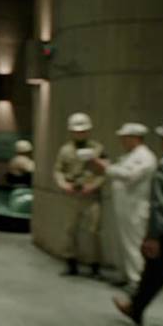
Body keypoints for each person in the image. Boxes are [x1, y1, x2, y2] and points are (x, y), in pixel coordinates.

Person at [113, 116, 163, 326]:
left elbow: (162, 205)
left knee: (153, 273)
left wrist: (153, 235)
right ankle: (135, 308)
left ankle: (135, 308)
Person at [91, 123, 156, 292]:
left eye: (124, 138)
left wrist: (106, 167)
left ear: (134, 138)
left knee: (133, 245)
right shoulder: (130, 155)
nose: (122, 141)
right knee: (122, 243)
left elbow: (129, 176)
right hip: (124, 207)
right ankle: (124, 275)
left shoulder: (145, 157)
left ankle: (137, 281)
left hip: (135, 208)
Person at [53, 112, 106, 277]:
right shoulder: (65, 150)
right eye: (76, 131)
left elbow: (104, 172)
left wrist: (93, 186)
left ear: (88, 130)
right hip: (72, 194)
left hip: (91, 195)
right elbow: (58, 170)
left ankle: (95, 265)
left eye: (83, 131)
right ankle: (71, 263)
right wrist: (63, 184)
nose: (80, 134)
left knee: (94, 232)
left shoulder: (98, 149)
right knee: (69, 230)